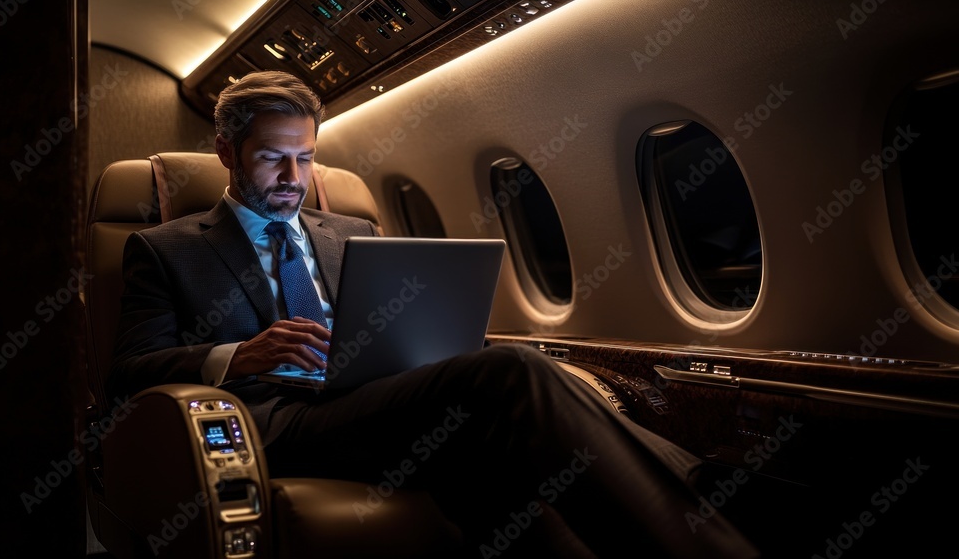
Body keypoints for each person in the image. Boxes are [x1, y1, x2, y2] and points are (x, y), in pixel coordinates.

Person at [110, 70, 759, 558]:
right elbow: (130, 371)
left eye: (306, 158)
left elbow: (396, 324)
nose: (294, 175)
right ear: (226, 152)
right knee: (510, 373)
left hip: (372, 400)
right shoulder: (166, 248)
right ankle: (706, 503)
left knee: (498, 447)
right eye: (271, 157)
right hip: (272, 424)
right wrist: (240, 354)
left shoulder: (353, 229)